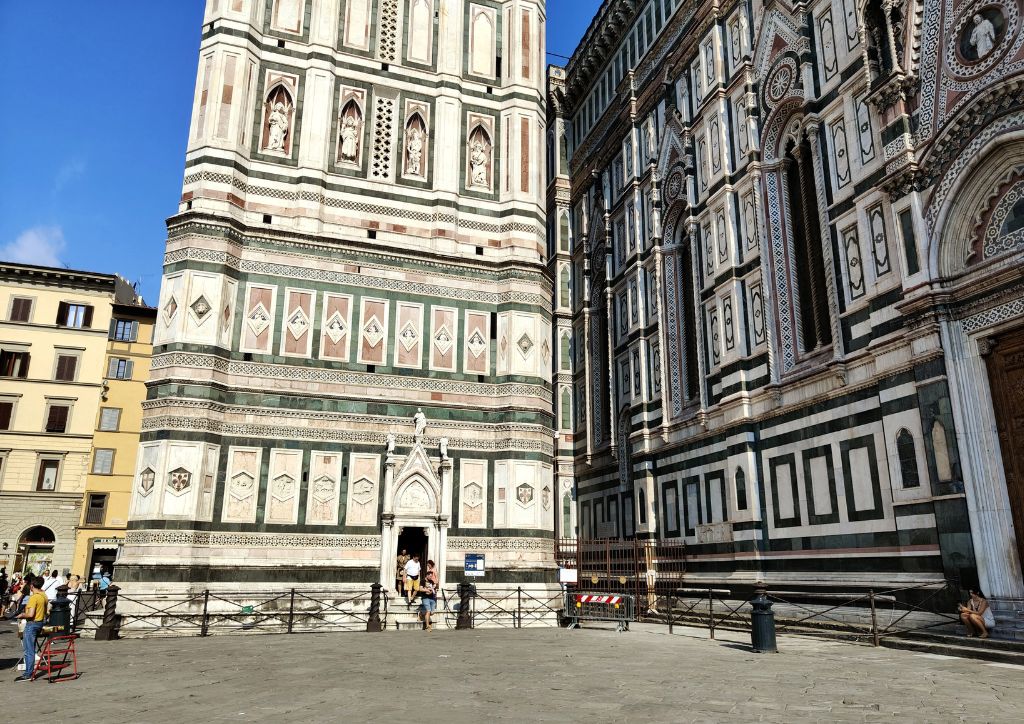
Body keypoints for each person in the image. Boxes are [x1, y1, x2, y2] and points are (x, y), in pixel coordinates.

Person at [14, 576, 47, 682]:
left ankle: (28, 673)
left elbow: (31, 614)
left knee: (29, 650)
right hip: (40, 623)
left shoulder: (34, 597)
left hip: (32, 624)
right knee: (31, 649)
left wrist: (22, 615)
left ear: (32, 586)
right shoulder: (44, 595)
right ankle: (29, 672)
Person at [419, 560, 438, 632]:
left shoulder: (432, 581)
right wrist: (427, 590)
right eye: (430, 576)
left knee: (432, 612)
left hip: (432, 598)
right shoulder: (423, 581)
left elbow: (433, 588)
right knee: (428, 611)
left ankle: (421, 614)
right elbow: (420, 589)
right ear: (427, 575)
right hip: (425, 598)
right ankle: (427, 626)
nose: (431, 577)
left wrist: (434, 591)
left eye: (431, 576)